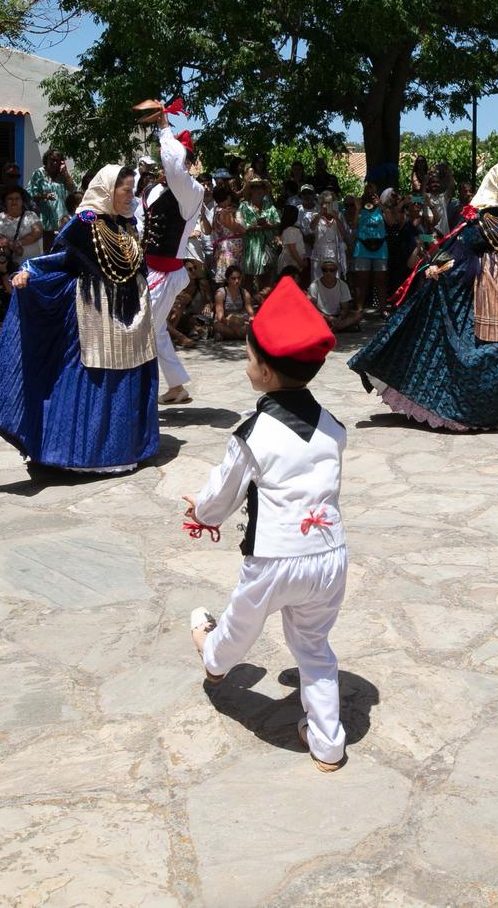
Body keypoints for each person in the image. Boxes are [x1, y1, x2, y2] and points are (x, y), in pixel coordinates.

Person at [184, 277, 349, 772]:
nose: (247, 363)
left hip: (275, 560)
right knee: (314, 649)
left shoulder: (253, 435)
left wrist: (201, 511)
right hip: (329, 559)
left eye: (250, 356)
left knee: (238, 626)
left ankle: (212, 660)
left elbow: (223, 494)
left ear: (266, 371)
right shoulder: (333, 428)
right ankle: (327, 744)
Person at [0, 163, 160, 473]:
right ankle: (85, 454)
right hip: (95, 313)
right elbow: (61, 258)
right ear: (109, 189)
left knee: (126, 377)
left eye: (132, 190)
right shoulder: (85, 220)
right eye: (126, 190)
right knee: (94, 377)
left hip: (129, 315)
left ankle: (125, 447)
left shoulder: (126, 224)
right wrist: (29, 271)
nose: (130, 196)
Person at [348, 160, 498, 431]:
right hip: (482, 287)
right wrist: (438, 266)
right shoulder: (477, 217)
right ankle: (469, 409)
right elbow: (457, 246)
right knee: (477, 347)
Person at [141, 119, 208, 406]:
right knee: (154, 330)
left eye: (179, 160)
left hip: (166, 273)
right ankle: (177, 386)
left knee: (142, 330)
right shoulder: (154, 190)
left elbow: (175, 167)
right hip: (149, 268)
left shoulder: (192, 190)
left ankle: (137, 394)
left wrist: (164, 127)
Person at [237, 178, 280, 296]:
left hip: (266, 245)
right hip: (250, 246)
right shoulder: (243, 206)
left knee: (266, 276)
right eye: (255, 187)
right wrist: (253, 226)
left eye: (260, 187)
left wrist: (267, 225)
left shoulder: (269, 205)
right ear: (251, 190)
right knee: (248, 277)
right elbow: (240, 225)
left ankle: (263, 304)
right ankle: (247, 303)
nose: (258, 190)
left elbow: (277, 222)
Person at [0, 185, 44, 272]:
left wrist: (18, 243)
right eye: (10, 199)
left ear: (22, 201)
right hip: (6, 270)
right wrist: (10, 244)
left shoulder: (30, 215)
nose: (14, 201)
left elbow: (38, 233)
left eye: (17, 198)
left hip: (30, 269)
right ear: (5, 202)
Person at [350, 187, 388, 313]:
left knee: (381, 280)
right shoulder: (360, 210)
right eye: (368, 193)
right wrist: (357, 208)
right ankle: (359, 310)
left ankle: (382, 309)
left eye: (373, 194)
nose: (371, 196)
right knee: (361, 281)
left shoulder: (381, 210)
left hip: (380, 249)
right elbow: (353, 226)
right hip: (362, 248)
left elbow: (391, 221)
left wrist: (381, 206)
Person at [27, 150, 74, 236]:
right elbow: (30, 193)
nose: (54, 163)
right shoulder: (38, 173)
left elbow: (72, 189)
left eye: (57, 160)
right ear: (46, 160)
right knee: (47, 247)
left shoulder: (62, 175)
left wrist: (66, 173)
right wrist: (44, 196)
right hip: (45, 221)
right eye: (52, 159)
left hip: (62, 220)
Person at [310, 258, 361, 333]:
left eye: (331, 270)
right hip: (322, 316)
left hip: (338, 316)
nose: (328, 272)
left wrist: (339, 319)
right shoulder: (314, 285)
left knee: (358, 315)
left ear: (336, 271)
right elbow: (312, 308)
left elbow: (345, 308)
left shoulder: (342, 285)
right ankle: (341, 327)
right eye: (325, 270)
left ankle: (334, 328)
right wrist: (327, 317)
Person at [211, 263, 257, 339]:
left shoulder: (245, 293)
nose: (237, 281)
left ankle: (227, 336)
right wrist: (231, 324)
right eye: (233, 278)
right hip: (225, 322)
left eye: (239, 278)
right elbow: (220, 316)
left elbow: (251, 313)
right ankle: (240, 336)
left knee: (251, 327)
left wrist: (251, 321)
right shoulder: (221, 293)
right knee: (217, 326)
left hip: (240, 322)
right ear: (227, 279)